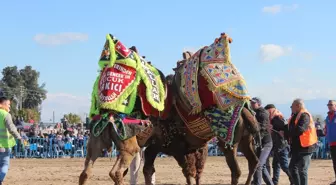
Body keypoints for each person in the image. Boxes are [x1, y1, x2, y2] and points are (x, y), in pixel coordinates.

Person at [288, 98, 317, 185]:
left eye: (292, 106)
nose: (291, 108)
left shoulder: (305, 115)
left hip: (306, 147)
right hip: (297, 147)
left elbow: (300, 129)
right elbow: (290, 128)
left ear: (298, 106)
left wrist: (287, 133)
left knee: (302, 170)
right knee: (292, 168)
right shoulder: (295, 116)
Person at [264, 104, 293, 185]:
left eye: (267, 111)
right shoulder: (274, 118)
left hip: (282, 145)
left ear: (270, 110)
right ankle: (275, 181)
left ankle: (294, 180)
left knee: (284, 166)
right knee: (275, 165)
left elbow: (286, 128)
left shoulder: (278, 118)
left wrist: (276, 129)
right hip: (277, 145)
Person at [250, 97, 274, 185]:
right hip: (259, 143)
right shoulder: (252, 112)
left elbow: (263, 127)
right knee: (262, 166)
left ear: (259, 104)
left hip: (266, 143)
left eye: (254, 103)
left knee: (258, 165)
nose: (252, 104)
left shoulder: (263, 113)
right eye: (251, 103)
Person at [0, 97, 21, 184]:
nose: (9, 107)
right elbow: (11, 128)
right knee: (4, 164)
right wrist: (18, 137)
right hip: (4, 145)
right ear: (1, 104)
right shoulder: (6, 115)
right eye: (8, 104)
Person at [325, 100, 336, 185]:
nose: (329, 106)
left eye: (331, 104)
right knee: (335, 162)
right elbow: (326, 127)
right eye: (328, 104)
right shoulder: (328, 117)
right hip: (331, 143)